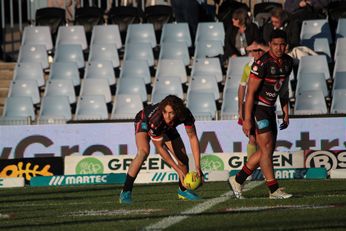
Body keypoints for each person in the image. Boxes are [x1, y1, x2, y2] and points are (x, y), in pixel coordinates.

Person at [229, 29, 293, 199]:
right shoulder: (262, 63)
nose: (279, 48)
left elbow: (283, 90)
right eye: (275, 44)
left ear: (286, 46)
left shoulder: (288, 62)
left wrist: (286, 112)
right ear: (270, 45)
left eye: (282, 44)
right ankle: (273, 189)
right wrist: (247, 119)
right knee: (265, 148)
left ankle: (238, 179)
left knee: (268, 149)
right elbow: (249, 94)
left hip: (271, 108)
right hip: (257, 108)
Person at [119, 95, 203, 204]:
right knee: (143, 152)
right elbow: (160, 148)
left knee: (182, 158)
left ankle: (183, 190)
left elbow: (192, 137)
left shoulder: (185, 114)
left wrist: (197, 166)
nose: (167, 116)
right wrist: (177, 170)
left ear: (177, 112)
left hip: (166, 127)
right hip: (144, 120)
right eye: (165, 112)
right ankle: (126, 192)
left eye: (171, 113)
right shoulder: (157, 119)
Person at [237, 47, 265, 159]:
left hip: (264, 106)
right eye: (254, 51)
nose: (257, 53)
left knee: (264, 139)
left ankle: (262, 166)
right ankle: (250, 170)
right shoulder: (248, 66)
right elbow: (242, 86)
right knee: (252, 138)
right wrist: (240, 108)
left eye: (259, 50)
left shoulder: (267, 64)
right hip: (250, 106)